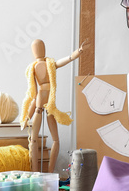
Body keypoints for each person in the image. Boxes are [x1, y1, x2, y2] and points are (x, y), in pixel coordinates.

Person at [20, 39, 86, 172]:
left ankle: (48, 172)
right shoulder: (37, 67)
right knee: (47, 140)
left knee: (41, 139)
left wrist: (27, 116)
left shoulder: (41, 66)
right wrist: (27, 117)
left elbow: (34, 95)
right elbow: (34, 94)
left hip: (46, 105)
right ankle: (39, 172)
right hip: (44, 104)